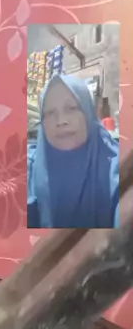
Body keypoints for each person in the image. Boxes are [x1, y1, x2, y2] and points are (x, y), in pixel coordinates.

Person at [27, 74, 120, 229]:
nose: (60, 121)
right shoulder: (27, 168)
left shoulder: (119, 170)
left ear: (88, 113)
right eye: (50, 113)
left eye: (71, 108)